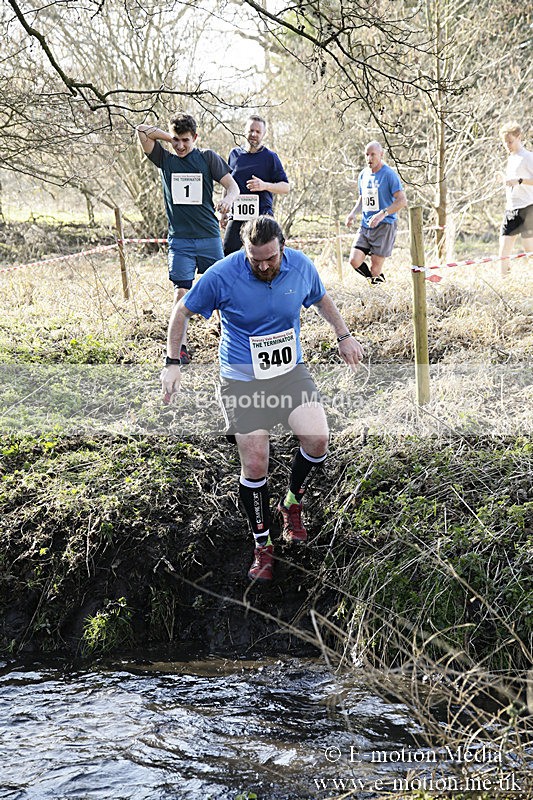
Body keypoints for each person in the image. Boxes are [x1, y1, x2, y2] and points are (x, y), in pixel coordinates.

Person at [161, 216, 364, 584]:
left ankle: (291, 504)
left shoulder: (300, 266)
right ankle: (262, 545)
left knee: (318, 439)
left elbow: (320, 298)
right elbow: (182, 311)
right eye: (256, 260)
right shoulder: (223, 274)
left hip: (289, 373)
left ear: (282, 247)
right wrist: (173, 362)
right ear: (245, 251)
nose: (265, 265)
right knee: (256, 461)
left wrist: (343, 334)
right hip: (242, 380)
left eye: (270, 258)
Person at [136, 113, 239, 363]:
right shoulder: (165, 159)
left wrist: (227, 199)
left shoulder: (206, 158)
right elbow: (141, 131)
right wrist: (168, 138)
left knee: (221, 289)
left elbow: (233, 186)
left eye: (185, 140)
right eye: (176, 140)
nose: (180, 146)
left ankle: (232, 338)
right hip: (180, 240)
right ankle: (179, 348)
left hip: (208, 236)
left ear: (195, 138)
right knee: (181, 292)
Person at [222, 115, 289, 256]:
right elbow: (227, 182)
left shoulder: (270, 157)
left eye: (258, 132)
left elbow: (285, 187)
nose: (254, 134)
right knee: (227, 253)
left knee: (268, 254)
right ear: (244, 131)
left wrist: (264, 185)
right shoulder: (234, 154)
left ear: (263, 134)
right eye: (251, 130)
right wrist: (224, 212)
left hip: (262, 214)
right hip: (238, 214)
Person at [345, 140, 407, 284]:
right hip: (366, 225)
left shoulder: (389, 175)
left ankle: (378, 290)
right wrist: (353, 213)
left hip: (384, 226)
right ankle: (375, 283)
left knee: (375, 269)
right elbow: (362, 198)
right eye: (367, 154)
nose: (369, 158)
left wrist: (382, 214)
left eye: (373, 154)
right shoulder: (363, 175)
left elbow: (402, 201)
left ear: (381, 155)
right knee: (354, 260)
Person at [498, 122, 533, 276]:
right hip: (511, 208)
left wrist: (520, 180)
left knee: (529, 250)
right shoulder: (510, 158)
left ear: (519, 137)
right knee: (504, 249)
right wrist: (504, 179)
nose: (507, 145)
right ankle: (502, 281)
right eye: (505, 142)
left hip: (528, 208)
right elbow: (511, 181)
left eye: (510, 141)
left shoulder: (528, 157)